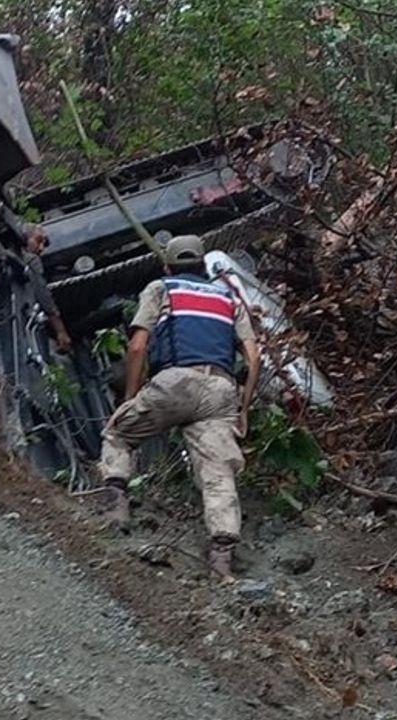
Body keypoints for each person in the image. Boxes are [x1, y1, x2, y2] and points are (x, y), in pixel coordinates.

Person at [96, 234, 262, 581]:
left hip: (176, 380)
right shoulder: (227, 297)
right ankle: (221, 559)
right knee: (218, 473)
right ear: (204, 266)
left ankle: (116, 509)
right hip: (220, 389)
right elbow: (253, 356)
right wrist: (242, 408)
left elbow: (139, 346)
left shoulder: (161, 287)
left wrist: (130, 396)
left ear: (168, 266)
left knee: (118, 433)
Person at [20, 222, 73, 352]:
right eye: (38, 241)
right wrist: (60, 330)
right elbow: (43, 294)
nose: (41, 248)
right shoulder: (31, 259)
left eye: (44, 244)